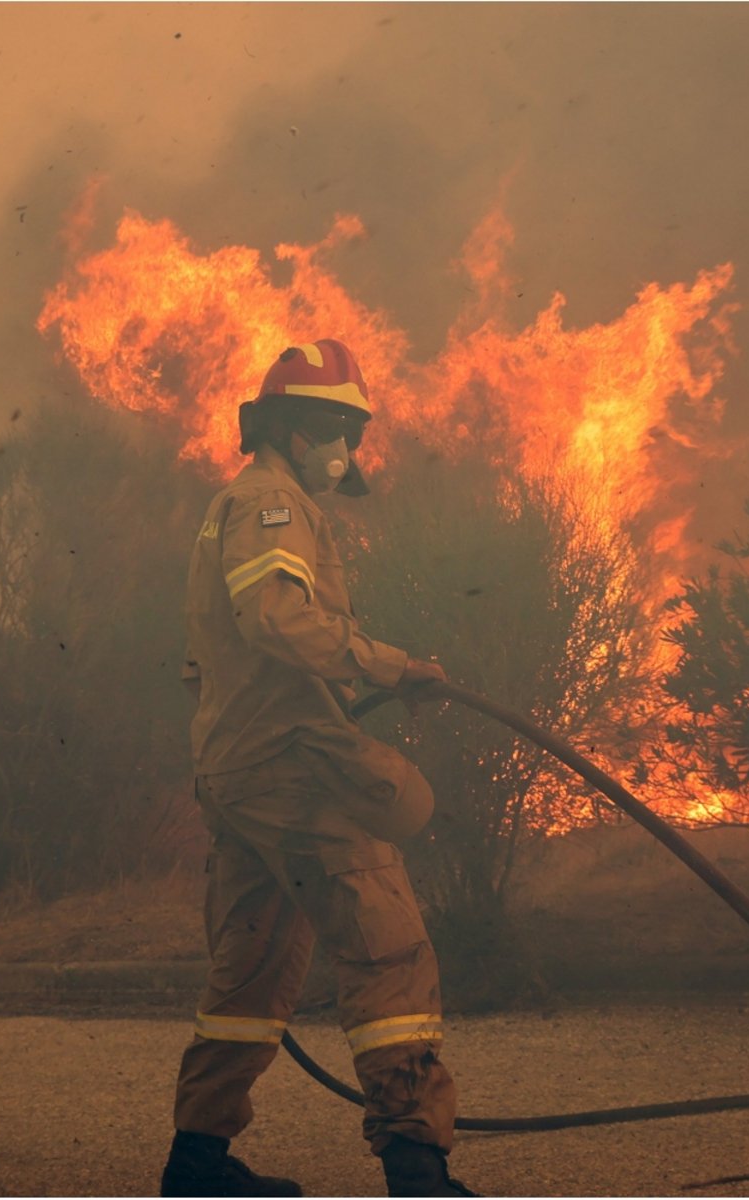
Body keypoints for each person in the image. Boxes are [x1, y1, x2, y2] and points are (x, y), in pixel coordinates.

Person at [160, 340, 474, 1197]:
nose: (347, 451)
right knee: (387, 943)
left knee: (251, 970)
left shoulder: (234, 505)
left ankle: (198, 1169)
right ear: (294, 429)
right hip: (287, 768)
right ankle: (416, 1168)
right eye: (336, 429)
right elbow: (275, 620)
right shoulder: (271, 502)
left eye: (354, 432)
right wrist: (389, 664)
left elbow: (210, 658)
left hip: (236, 767)